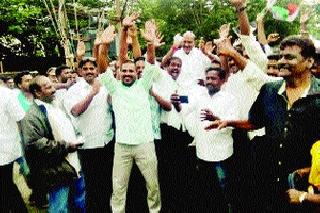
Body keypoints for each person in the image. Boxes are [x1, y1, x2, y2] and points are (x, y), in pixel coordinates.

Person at [206, 35, 320, 212]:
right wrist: (229, 122)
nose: (282, 61)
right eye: (281, 56)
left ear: (310, 61)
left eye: (290, 57)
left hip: (307, 187)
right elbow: (255, 122)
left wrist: (307, 173)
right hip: (268, 181)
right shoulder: (270, 90)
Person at [100, 17, 162, 213]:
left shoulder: (144, 86)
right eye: (124, 70)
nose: (127, 73)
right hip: (122, 146)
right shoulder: (115, 88)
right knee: (118, 187)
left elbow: (150, 62)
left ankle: (155, 210)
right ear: (119, 72)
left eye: (131, 70)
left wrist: (150, 43)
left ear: (137, 72)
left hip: (145, 143)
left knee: (152, 184)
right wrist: (104, 45)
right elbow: (102, 68)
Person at [20, 75, 85, 212]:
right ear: (37, 92)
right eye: (48, 87)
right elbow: (34, 143)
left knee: (79, 204)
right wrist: (66, 146)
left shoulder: (54, 106)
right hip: (56, 171)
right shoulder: (32, 115)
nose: (54, 89)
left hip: (74, 165)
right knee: (60, 208)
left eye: (52, 85)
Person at [181, 67, 239, 212]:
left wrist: (217, 119)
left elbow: (234, 121)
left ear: (222, 80)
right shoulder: (200, 96)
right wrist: (176, 98)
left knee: (224, 190)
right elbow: (186, 102)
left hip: (221, 154)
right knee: (206, 191)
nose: (209, 82)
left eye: (213, 78)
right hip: (202, 153)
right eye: (207, 78)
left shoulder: (230, 98)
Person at [64, 57, 114, 212]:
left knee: (107, 183)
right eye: (85, 69)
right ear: (80, 71)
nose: (89, 71)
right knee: (92, 186)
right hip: (88, 146)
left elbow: (112, 105)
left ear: (97, 70)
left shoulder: (104, 85)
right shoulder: (74, 91)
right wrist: (92, 94)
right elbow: (75, 111)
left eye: (92, 68)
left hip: (107, 142)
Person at [0, 86, 27, 213]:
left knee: (5, 185)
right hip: (5, 149)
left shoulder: (8, 93)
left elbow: (21, 116)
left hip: (4, 150)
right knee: (6, 186)